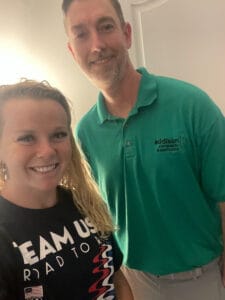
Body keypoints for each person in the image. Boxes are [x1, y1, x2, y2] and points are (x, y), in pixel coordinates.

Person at [62, 0, 225, 299]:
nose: (97, 44)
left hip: (202, 280)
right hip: (133, 282)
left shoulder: (192, 105)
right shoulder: (84, 132)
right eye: (81, 34)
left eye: (106, 27)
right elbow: (97, 215)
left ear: (126, 33)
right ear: (72, 50)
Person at [0, 79, 134, 300]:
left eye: (58, 134)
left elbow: (116, 278)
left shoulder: (86, 204)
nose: (47, 150)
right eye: (27, 138)